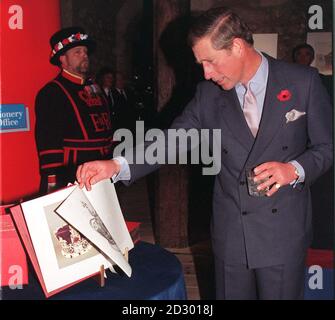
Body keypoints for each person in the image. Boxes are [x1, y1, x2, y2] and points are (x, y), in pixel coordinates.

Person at [76, 7, 332, 299]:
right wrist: (116, 165)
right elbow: (171, 140)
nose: (207, 73)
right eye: (201, 64)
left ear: (237, 46)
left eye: (210, 61)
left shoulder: (303, 82)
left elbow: (326, 148)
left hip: (282, 232)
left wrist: (294, 170)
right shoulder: (208, 95)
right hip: (231, 233)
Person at [35, 27, 114, 194]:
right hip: (71, 173)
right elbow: (48, 140)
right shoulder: (52, 92)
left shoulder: (96, 88)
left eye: (85, 51)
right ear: (63, 59)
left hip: (100, 170)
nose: (84, 55)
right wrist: (53, 180)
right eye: (77, 52)